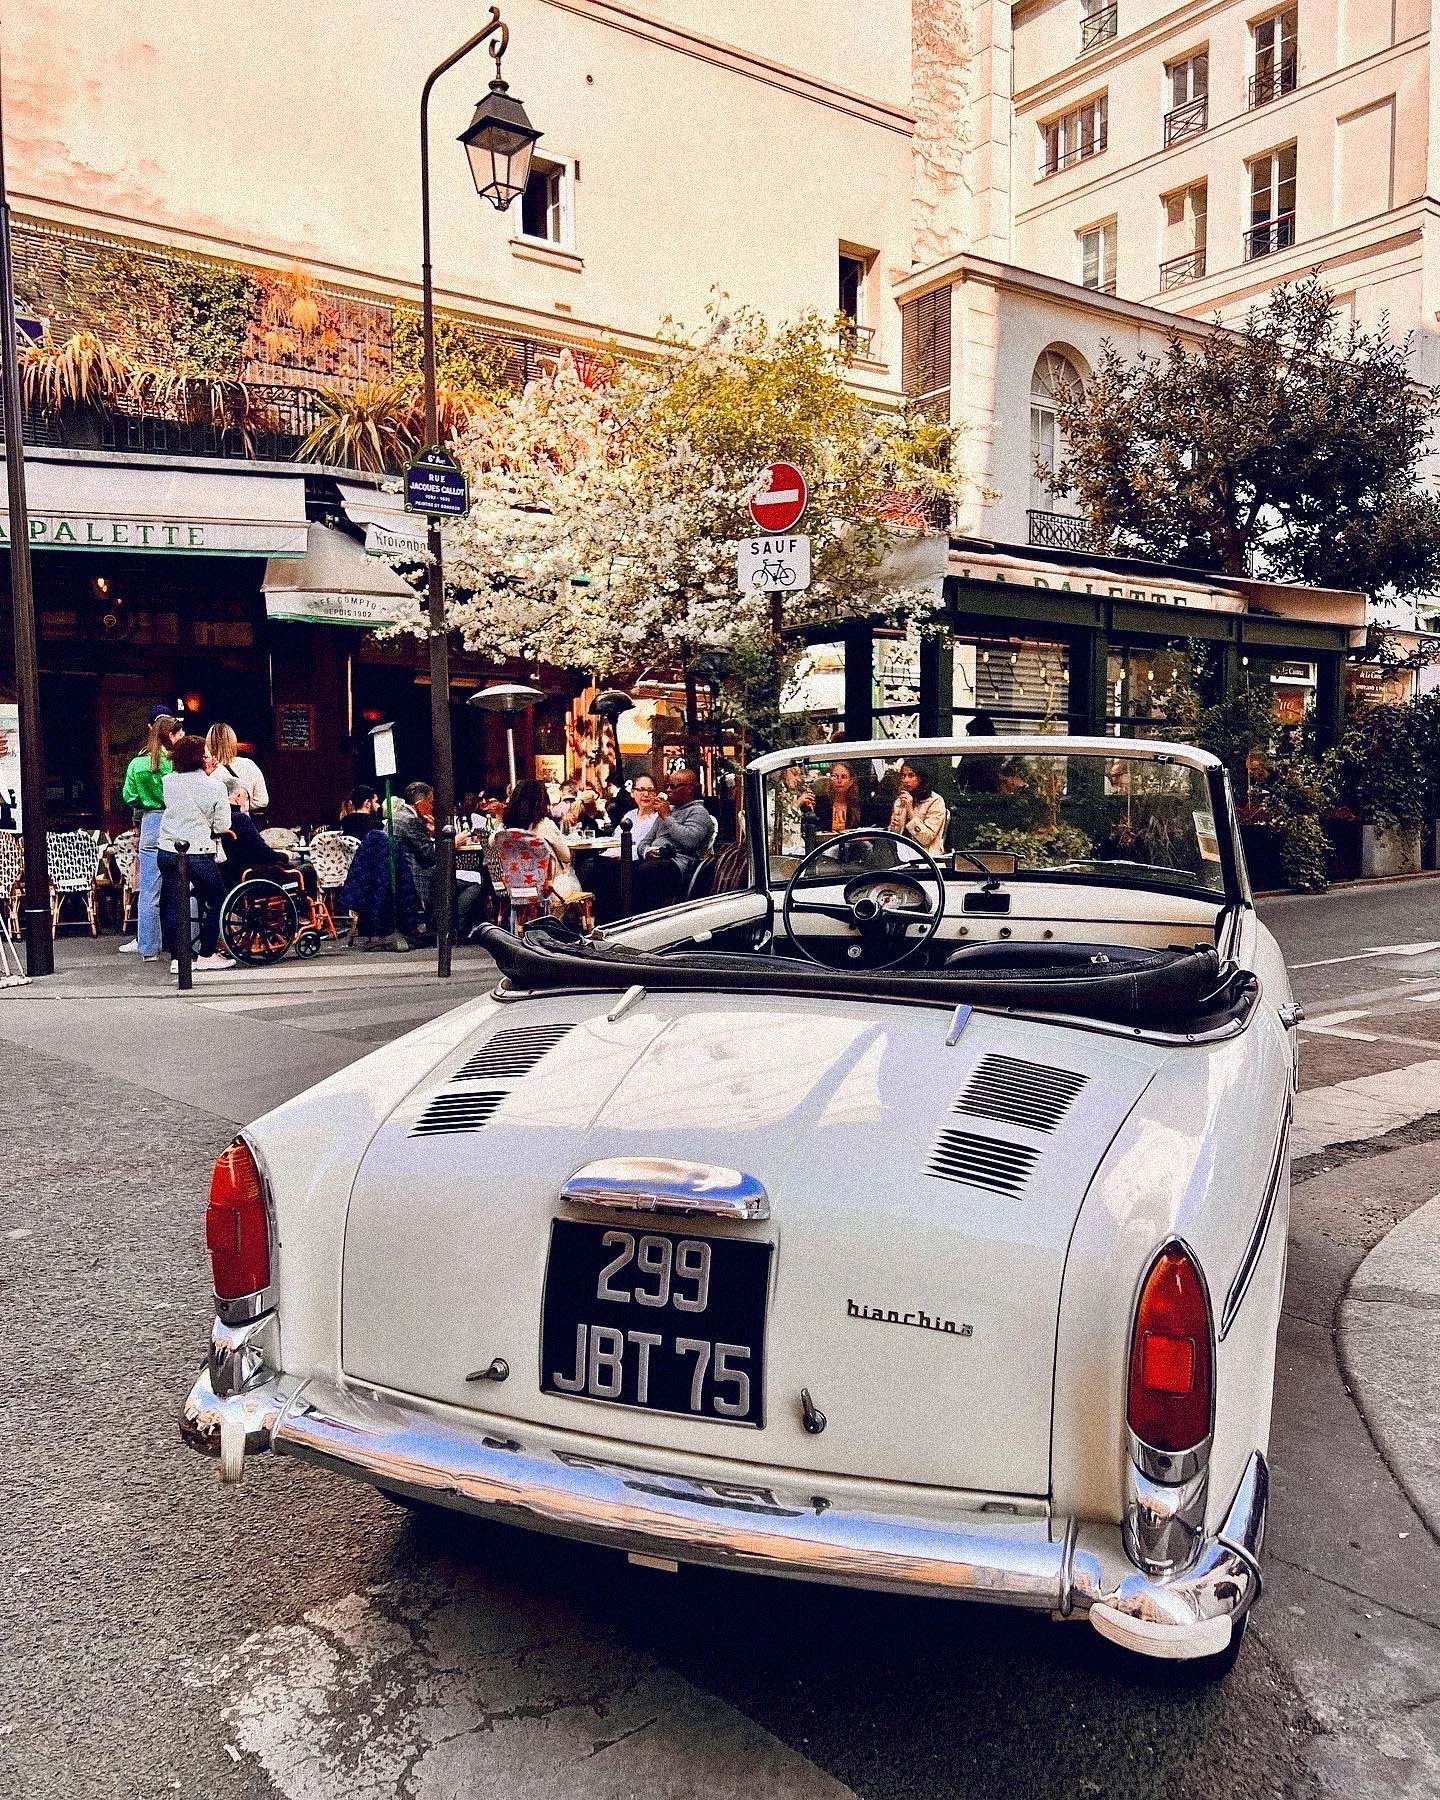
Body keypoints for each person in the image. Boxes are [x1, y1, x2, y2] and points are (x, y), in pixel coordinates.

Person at [157, 734, 233, 969]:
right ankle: (207, 953)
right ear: (201, 757)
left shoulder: (168, 782)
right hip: (199, 850)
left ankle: (178, 959)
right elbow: (222, 825)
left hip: (168, 849)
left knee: (171, 903)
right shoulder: (216, 786)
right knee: (217, 898)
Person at [118, 712, 181, 960]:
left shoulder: (137, 764)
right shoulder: (174, 763)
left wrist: (146, 801)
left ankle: (148, 947)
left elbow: (128, 797)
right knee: (184, 884)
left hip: (150, 822)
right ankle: (188, 943)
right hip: (174, 819)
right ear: (170, 735)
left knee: (148, 890)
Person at [502, 778, 583, 913]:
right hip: (549, 889)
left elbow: (492, 841)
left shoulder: (505, 829)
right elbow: (566, 856)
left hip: (516, 890)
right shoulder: (545, 825)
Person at [205, 723, 269, 821]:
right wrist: (244, 805)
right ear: (233, 742)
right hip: (244, 824)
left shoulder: (206, 771)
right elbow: (262, 800)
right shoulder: (249, 765)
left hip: (217, 826)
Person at [889, 760, 949, 852]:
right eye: (903, 776)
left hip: (925, 855)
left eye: (911, 775)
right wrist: (894, 827)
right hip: (900, 853)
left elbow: (926, 839)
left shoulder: (935, 801)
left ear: (921, 778)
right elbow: (894, 837)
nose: (905, 780)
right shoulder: (900, 801)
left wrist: (910, 811)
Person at [822, 761, 863, 833]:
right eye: (835, 776)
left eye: (843, 777)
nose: (839, 780)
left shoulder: (860, 805)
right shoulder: (821, 803)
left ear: (851, 781)